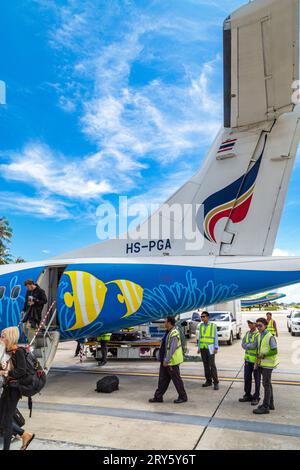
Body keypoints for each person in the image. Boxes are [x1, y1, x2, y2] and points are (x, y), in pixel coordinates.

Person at [0, 327, 35, 450]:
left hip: (15, 390)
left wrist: (5, 373)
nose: (1, 339)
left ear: (9, 338)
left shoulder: (18, 351)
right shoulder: (8, 352)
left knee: (7, 420)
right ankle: (25, 434)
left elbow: (21, 371)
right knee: (2, 419)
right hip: (8, 388)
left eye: (3, 336)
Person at [149, 316, 187, 404]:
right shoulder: (168, 332)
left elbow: (172, 349)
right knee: (162, 380)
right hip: (164, 361)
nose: (164, 323)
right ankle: (158, 397)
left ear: (169, 323)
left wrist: (167, 360)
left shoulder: (174, 333)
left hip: (171, 362)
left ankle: (183, 396)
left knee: (177, 380)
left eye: (165, 322)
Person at [253, 318, 278, 415]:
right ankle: (270, 404)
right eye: (257, 325)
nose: (258, 327)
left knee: (266, 384)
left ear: (265, 326)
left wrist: (264, 355)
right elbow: (259, 350)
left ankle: (265, 407)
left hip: (268, 364)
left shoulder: (269, 336)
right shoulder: (260, 335)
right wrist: (256, 362)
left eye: (260, 325)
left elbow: (275, 350)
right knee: (268, 384)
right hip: (262, 363)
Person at [239, 320, 261, 406]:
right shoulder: (247, 333)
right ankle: (247, 395)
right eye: (248, 323)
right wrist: (248, 345)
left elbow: (254, 345)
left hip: (255, 361)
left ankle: (256, 397)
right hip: (248, 360)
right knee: (247, 378)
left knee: (257, 380)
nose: (249, 325)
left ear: (255, 324)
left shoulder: (258, 334)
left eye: (251, 323)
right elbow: (242, 344)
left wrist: (247, 346)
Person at [197, 311, 219, 390]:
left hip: (211, 348)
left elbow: (216, 337)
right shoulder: (201, 326)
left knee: (212, 365)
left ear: (207, 317)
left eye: (203, 316)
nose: (202, 318)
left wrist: (216, 347)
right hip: (203, 348)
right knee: (205, 365)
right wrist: (199, 347)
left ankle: (216, 382)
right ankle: (208, 381)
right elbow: (200, 337)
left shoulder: (213, 325)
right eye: (201, 317)